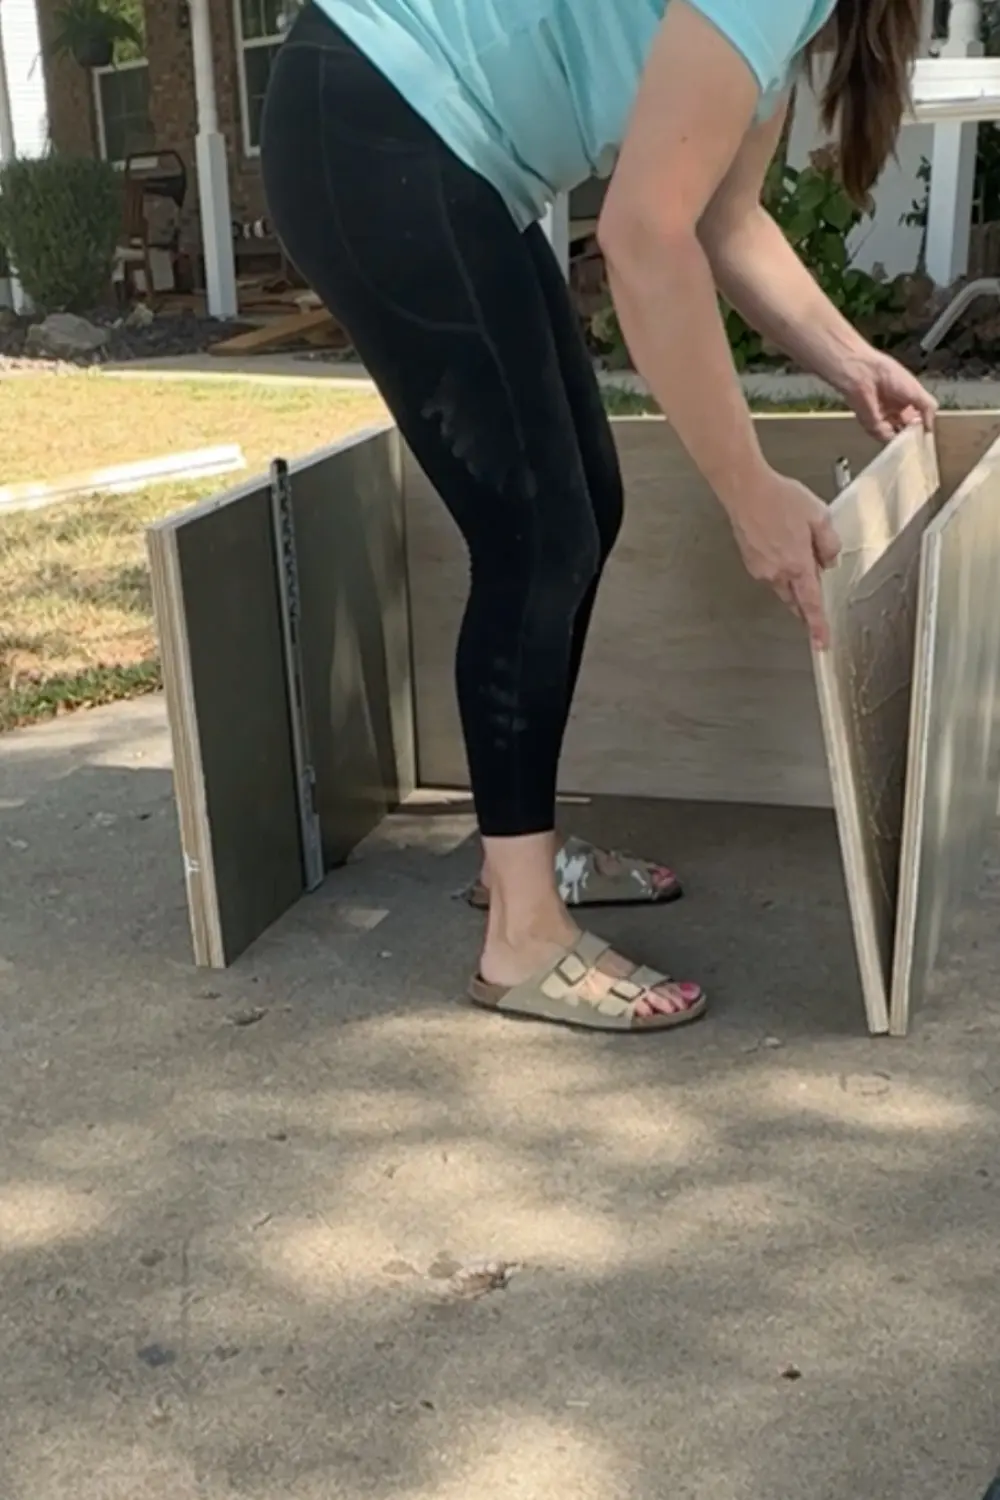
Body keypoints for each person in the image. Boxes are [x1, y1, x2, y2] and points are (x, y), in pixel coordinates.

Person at [260, 0, 937, 1034]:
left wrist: (851, 360)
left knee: (580, 507)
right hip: (377, 117)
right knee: (536, 535)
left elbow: (726, 220)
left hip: (443, 147)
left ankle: (515, 857)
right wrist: (748, 490)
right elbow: (640, 233)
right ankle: (521, 937)